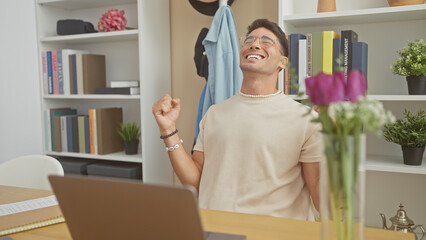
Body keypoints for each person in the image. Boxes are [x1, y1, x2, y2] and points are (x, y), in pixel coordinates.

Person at [152, 19, 323, 221]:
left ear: (282, 62)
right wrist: (168, 130)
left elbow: (322, 201)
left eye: (267, 41)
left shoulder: (305, 119)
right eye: (249, 40)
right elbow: (196, 182)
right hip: (214, 230)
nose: (255, 44)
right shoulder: (214, 114)